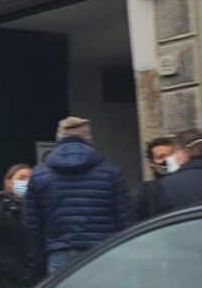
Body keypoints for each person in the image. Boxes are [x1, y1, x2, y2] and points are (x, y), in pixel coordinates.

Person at [23, 117, 132, 275]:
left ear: (59, 138)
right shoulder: (110, 173)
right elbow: (125, 217)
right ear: (89, 138)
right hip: (102, 251)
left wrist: (40, 255)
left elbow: (31, 224)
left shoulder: (39, 175)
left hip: (59, 252)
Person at [133, 137, 174, 221]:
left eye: (170, 155)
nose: (166, 160)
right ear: (151, 163)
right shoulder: (144, 194)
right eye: (161, 157)